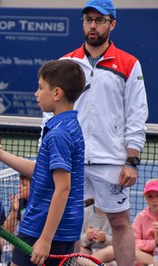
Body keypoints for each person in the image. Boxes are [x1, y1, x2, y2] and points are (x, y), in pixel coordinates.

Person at [49, 0, 149, 264]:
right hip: (71, 159)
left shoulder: (130, 64)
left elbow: (137, 115)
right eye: (88, 19)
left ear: (112, 24)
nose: (93, 25)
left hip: (112, 161)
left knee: (119, 223)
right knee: (68, 223)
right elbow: (50, 110)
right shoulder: (66, 62)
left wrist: (132, 160)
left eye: (100, 20)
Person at [0, 59, 86, 266]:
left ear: (57, 93)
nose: (36, 93)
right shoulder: (70, 126)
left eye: (41, 88)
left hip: (42, 229)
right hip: (59, 229)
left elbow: (63, 188)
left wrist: (45, 239)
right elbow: (40, 171)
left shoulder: (59, 134)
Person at [93, 179, 157, 265]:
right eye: (150, 196)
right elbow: (133, 242)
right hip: (143, 257)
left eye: (157, 196)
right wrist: (154, 243)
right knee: (117, 249)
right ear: (145, 198)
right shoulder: (141, 217)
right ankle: (85, 261)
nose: (154, 200)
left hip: (153, 259)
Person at [0, 173, 30, 250]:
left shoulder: (39, 205)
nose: (19, 187)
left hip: (32, 241)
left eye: (23, 184)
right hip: (20, 240)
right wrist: (14, 210)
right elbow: (6, 232)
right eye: (20, 183)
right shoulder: (19, 201)